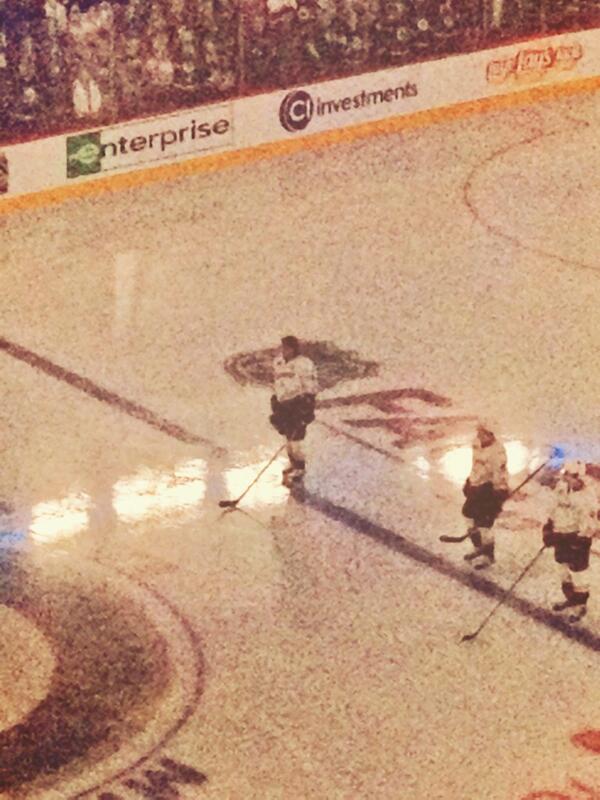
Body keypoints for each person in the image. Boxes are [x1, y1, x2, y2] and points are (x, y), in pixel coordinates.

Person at [543, 461, 595, 623]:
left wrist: (580, 538)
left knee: (577, 573)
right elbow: (553, 508)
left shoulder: (587, 496)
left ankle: (580, 606)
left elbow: (590, 523)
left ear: (579, 478)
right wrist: (548, 528)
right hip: (560, 534)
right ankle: (570, 598)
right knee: (563, 569)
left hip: (576, 538)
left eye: (569, 476)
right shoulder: (562, 487)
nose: (565, 479)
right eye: (565, 475)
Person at [270, 336, 318, 487]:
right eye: (283, 347)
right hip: (282, 406)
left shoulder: (304, 364)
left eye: (287, 348)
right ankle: (293, 464)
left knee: (296, 440)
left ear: (293, 349)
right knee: (287, 440)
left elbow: (311, 386)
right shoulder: (278, 362)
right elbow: (277, 383)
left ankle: (300, 468)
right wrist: (275, 400)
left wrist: (307, 405)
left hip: (297, 405)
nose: (284, 350)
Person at [462, 424, 509, 569]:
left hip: (487, 491)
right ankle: (478, 548)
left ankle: (488, 555)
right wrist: (469, 481)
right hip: (475, 488)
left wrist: (499, 494)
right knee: (468, 516)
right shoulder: (477, 445)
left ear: (490, 435)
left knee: (484, 525)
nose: (479, 435)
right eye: (478, 432)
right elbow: (475, 466)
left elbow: (500, 475)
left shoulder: (497, 453)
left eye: (482, 433)